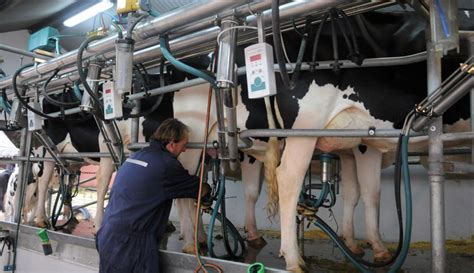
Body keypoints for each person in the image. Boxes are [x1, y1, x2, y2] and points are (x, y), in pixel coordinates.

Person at [96, 118, 209, 273]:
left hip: (107, 235)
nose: (184, 150)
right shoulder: (167, 165)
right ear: (172, 144)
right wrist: (208, 190)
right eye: (184, 145)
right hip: (132, 245)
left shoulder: (136, 156)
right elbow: (197, 189)